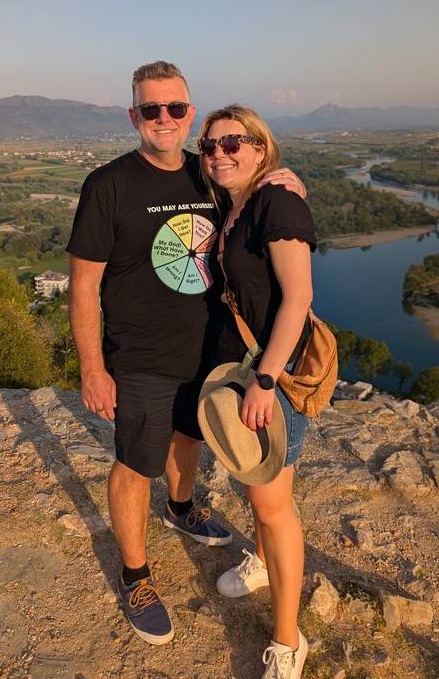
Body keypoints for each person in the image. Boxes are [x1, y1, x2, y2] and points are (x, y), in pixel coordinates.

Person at [66, 61, 306, 647]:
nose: (164, 118)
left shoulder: (207, 175)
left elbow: (253, 196)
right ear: (135, 116)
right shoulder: (108, 184)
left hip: (212, 352)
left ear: (190, 114)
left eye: (175, 108)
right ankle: (136, 574)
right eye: (151, 109)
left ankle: (181, 507)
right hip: (142, 356)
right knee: (134, 464)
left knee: (188, 439)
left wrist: (283, 177)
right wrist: (94, 369)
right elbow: (82, 286)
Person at [198, 104, 316, 679]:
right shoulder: (238, 203)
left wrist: (266, 381)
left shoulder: (277, 200)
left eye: (233, 143)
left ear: (261, 148)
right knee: (256, 490)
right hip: (245, 377)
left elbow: (297, 300)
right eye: (211, 146)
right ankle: (264, 565)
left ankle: (289, 640)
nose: (220, 153)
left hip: (270, 382)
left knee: (274, 507)